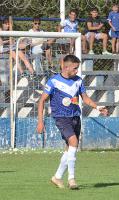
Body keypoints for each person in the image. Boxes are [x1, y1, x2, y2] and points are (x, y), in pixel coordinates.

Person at [36, 55, 108, 189]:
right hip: (61, 118)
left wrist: (97, 107)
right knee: (74, 142)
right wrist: (40, 121)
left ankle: (57, 177)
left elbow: (85, 98)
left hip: (75, 117)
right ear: (66, 67)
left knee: (69, 149)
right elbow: (41, 101)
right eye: (75, 68)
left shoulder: (78, 81)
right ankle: (71, 179)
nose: (77, 71)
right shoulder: (54, 81)